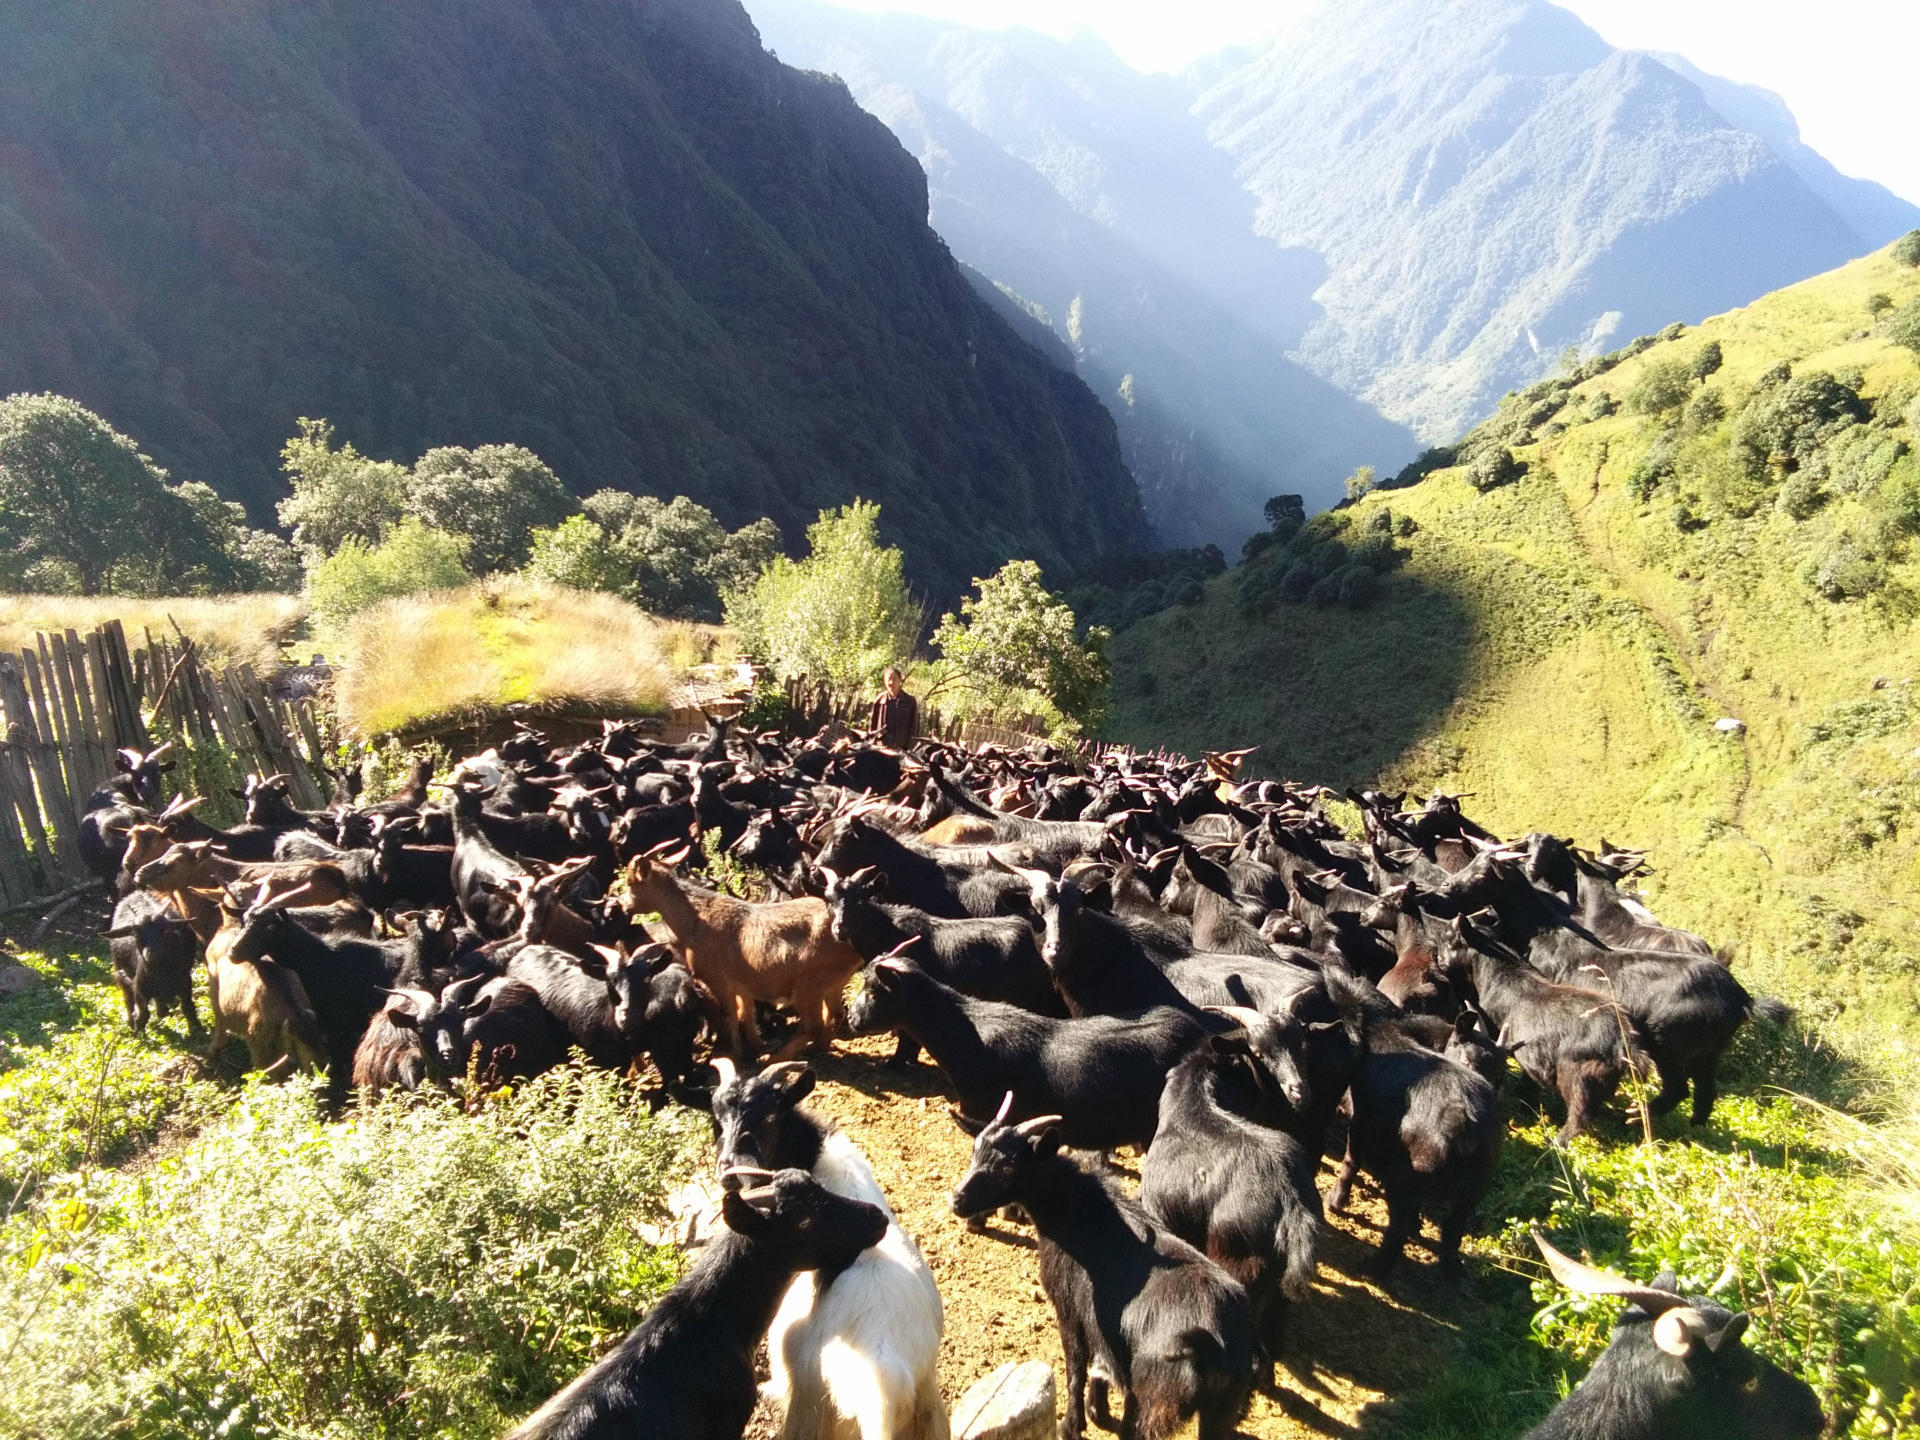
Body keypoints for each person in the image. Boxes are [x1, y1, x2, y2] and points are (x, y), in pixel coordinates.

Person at [870, 666, 918, 750]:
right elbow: (872, 726)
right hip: (881, 747)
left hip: (901, 748)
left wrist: (908, 746)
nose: (891, 682)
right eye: (888, 679)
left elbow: (913, 727)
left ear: (900, 680)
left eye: (894, 679)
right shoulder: (880, 700)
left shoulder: (910, 701)